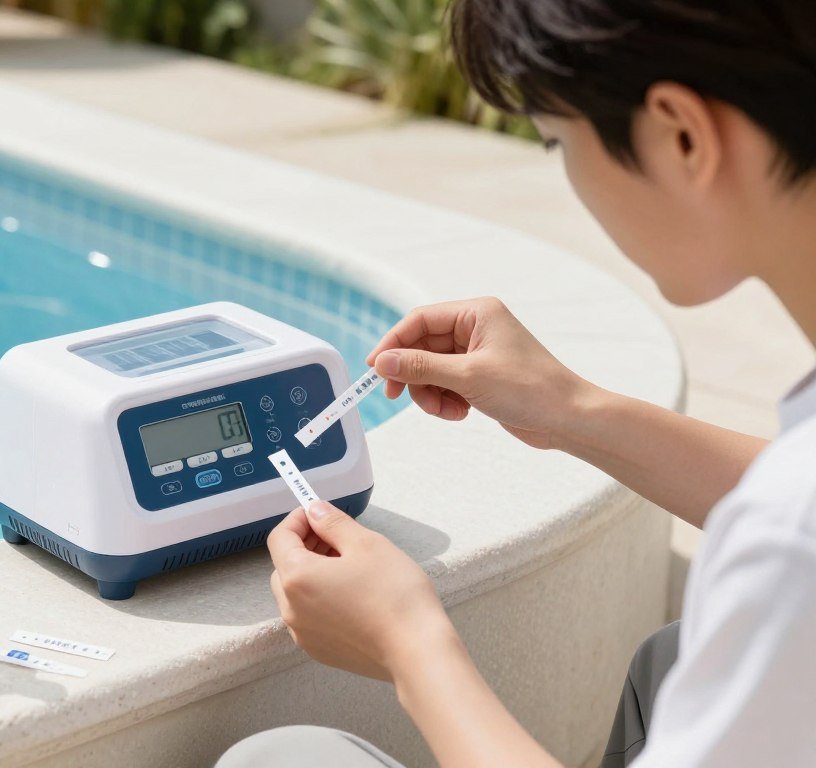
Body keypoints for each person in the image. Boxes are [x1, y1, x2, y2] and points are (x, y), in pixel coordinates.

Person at [217, 1, 816, 765]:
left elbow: (796, 525)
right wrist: (570, 411)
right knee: (668, 661)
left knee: (284, 758)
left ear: (681, 136)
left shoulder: (786, 550)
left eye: (556, 141)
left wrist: (410, 644)